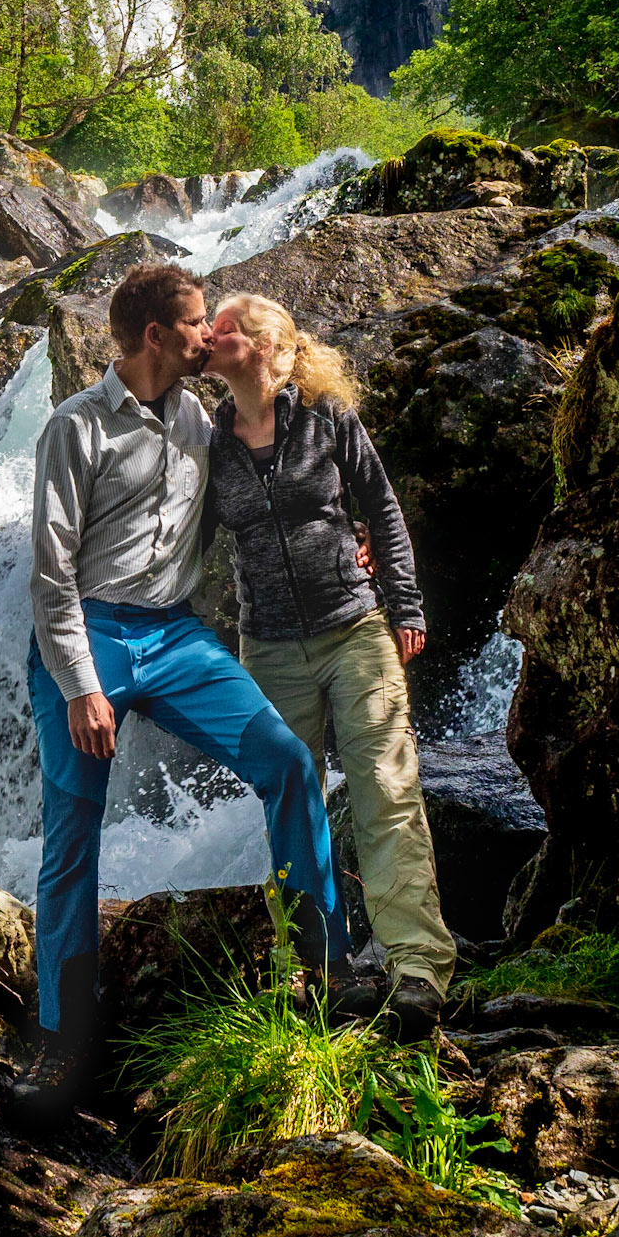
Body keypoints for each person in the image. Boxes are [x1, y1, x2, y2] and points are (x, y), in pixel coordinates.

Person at [14, 261, 353, 1124]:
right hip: (85, 637)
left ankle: (322, 977)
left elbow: (289, 477)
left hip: (173, 636)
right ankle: (64, 1047)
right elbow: (50, 581)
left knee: (283, 761)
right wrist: (84, 688)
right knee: (72, 834)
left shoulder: (207, 422)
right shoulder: (75, 427)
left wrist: (351, 542)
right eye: (201, 322)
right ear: (158, 336)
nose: (213, 333)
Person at [203, 290, 455, 1042]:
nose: (211, 336)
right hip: (270, 648)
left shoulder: (328, 421)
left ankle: (417, 966)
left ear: (272, 351)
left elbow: (382, 509)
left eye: (229, 330)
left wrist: (405, 605)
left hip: (354, 630)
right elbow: (184, 541)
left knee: (384, 787)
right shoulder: (207, 440)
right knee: (292, 803)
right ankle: (318, 966)